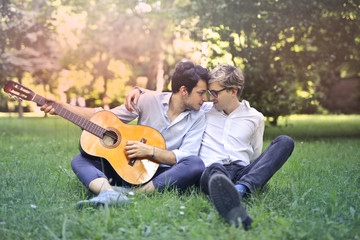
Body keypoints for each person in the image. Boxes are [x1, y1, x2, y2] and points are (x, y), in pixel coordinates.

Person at [126, 64, 294, 230]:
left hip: (242, 170)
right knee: (212, 168)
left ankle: (239, 189)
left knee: (285, 142)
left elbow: (255, 154)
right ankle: (238, 192)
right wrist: (140, 91)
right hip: (212, 172)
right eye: (208, 92)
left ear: (233, 91)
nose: (209, 97)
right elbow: (176, 95)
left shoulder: (254, 117)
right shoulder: (203, 109)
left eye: (215, 93)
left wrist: (250, 172)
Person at [39, 61, 210, 207]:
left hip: (161, 174)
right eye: (201, 93)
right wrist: (62, 107)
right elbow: (104, 118)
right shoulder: (147, 100)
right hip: (125, 167)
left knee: (195, 164)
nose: (205, 99)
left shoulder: (198, 116)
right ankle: (109, 193)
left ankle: (134, 194)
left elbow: (185, 155)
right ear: (183, 90)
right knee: (79, 160)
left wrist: (149, 151)